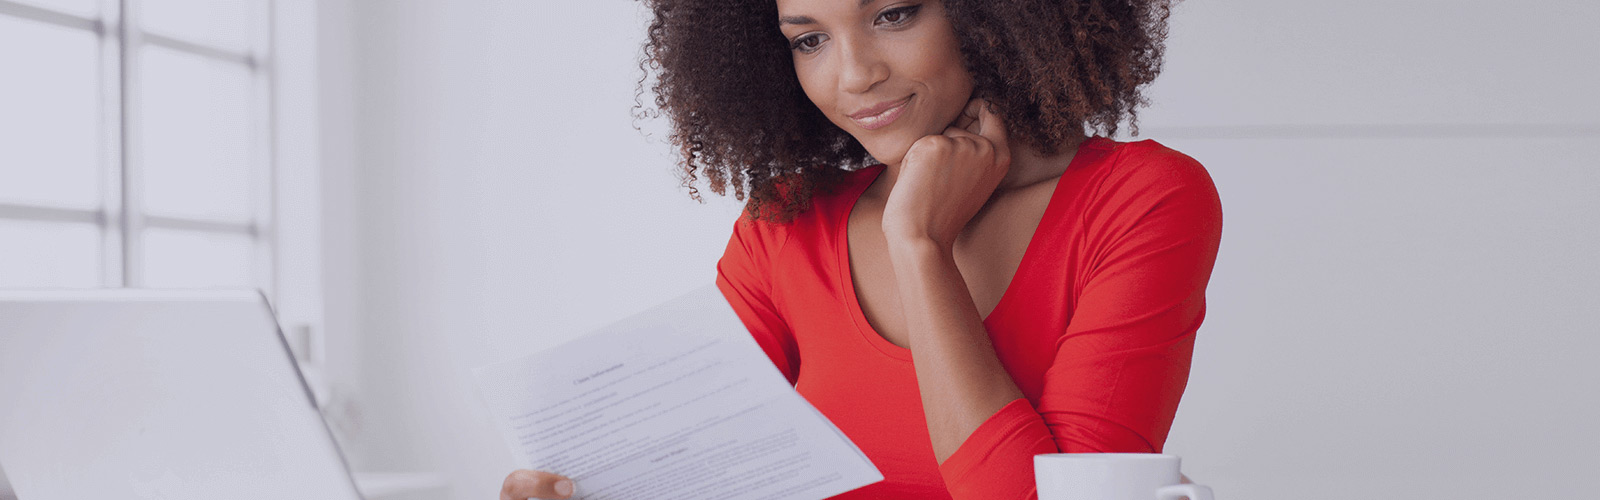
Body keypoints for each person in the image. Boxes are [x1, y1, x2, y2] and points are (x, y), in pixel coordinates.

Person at [501, 0, 1219, 498]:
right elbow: (701, 475)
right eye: (808, 38)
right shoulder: (786, 224)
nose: (853, 75)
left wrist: (918, 246)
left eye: (894, 14)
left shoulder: (1140, 199)